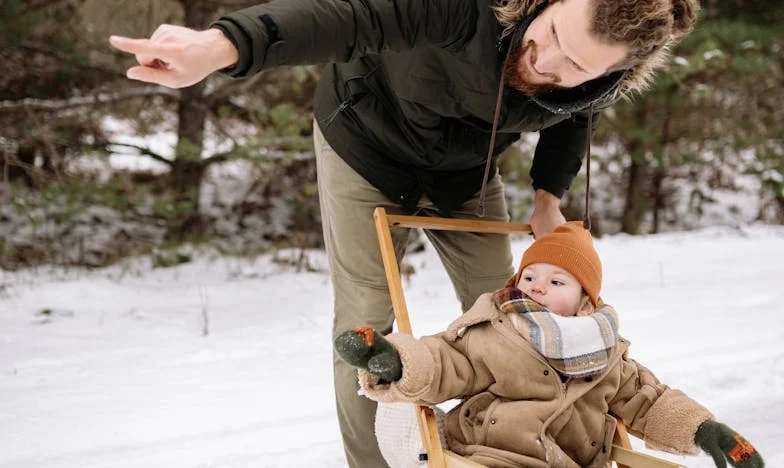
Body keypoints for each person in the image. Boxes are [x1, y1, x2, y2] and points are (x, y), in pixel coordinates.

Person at [108, 0, 701, 465]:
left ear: (613, 72)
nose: (547, 63)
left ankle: (509, 455)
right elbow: (350, 15)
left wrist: (549, 197)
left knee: (518, 315)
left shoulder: (599, 80)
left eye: (577, 66)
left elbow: (576, 115)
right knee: (366, 320)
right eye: (549, 35)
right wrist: (224, 43)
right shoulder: (466, 7)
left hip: (465, 173)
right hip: (365, 144)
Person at [335, 222, 764, 468]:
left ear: (585, 300)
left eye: (556, 281)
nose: (537, 287)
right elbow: (449, 361)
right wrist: (394, 360)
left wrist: (708, 432)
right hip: (491, 456)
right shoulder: (496, 330)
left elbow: (647, 401)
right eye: (530, 276)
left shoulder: (606, 351)